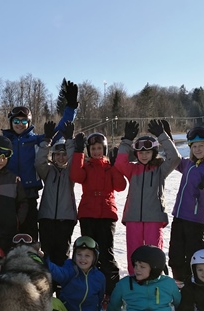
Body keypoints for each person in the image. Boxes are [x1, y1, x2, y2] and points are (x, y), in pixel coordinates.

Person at [0, 80, 79, 240]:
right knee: (7, 236)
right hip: (6, 195)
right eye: (16, 121)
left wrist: (71, 108)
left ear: (29, 123)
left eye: (23, 121)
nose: (19, 124)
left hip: (29, 196)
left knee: (30, 238)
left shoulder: (37, 141)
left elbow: (61, 130)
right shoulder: (3, 142)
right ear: (11, 122)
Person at [114, 119, 181, 276]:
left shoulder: (160, 170)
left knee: (153, 251)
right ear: (136, 154)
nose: (144, 155)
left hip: (154, 218)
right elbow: (119, 163)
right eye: (141, 152)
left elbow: (175, 158)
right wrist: (126, 140)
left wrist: (162, 136)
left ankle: (154, 279)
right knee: (134, 250)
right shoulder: (132, 170)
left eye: (147, 152)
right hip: (133, 217)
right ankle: (134, 279)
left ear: (154, 153)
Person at [70, 131, 126, 297]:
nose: (96, 152)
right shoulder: (86, 166)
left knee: (106, 254)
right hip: (88, 214)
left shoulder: (109, 168)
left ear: (105, 149)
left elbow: (121, 186)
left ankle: (111, 293)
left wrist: (116, 166)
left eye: (99, 148)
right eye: (93, 148)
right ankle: (88, 290)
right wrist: (78, 152)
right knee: (88, 252)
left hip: (106, 214)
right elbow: (76, 176)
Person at [168, 127, 204, 283]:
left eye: (201, 145)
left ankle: (195, 288)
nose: (198, 149)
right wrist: (166, 139)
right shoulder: (187, 164)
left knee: (194, 254)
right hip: (179, 217)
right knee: (175, 254)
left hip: (196, 220)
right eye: (194, 146)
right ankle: (179, 286)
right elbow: (173, 157)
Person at [35, 120, 77, 266]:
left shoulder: (71, 173)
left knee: (62, 254)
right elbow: (39, 162)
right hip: (47, 218)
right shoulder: (48, 172)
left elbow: (74, 162)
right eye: (57, 154)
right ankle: (47, 284)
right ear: (52, 156)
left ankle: (61, 286)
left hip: (65, 219)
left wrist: (70, 141)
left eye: (64, 154)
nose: (60, 157)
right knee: (46, 254)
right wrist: (47, 141)